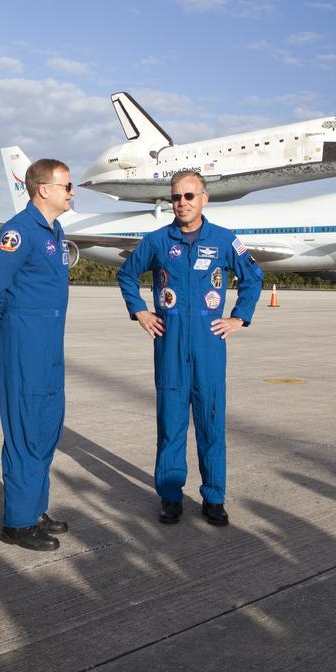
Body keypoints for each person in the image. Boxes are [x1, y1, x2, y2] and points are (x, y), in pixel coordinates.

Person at [117, 171, 263, 527]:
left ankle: (214, 497)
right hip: (169, 346)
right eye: (176, 197)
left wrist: (238, 318)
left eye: (189, 196)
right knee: (171, 425)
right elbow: (126, 274)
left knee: (211, 424)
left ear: (204, 199)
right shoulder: (155, 241)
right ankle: (170, 497)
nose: (181, 202)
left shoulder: (225, 240)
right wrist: (139, 311)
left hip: (209, 345)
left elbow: (253, 278)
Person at [0, 158, 73, 551]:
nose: (71, 193)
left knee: (48, 422)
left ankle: (34, 509)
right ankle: (17, 522)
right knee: (25, 427)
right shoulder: (17, 231)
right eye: (67, 185)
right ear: (44, 189)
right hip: (24, 340)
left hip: (50, 341)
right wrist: (3, 321)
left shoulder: (54, 229)